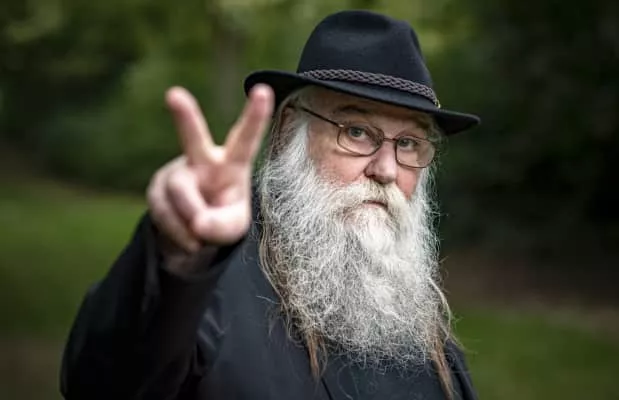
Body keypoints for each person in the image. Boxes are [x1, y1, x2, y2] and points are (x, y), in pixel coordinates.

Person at [61, 10, 480, 400]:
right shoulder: (205, 284)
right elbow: (104, 383)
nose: (386, 170)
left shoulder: (415, 318)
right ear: (288, 131)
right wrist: (179, 257)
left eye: (408, 143)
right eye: (356, 131)